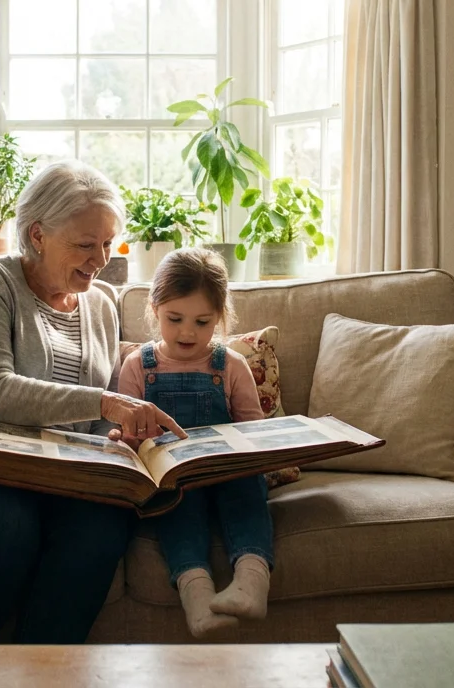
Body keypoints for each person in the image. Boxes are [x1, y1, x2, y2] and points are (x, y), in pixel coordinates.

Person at [0, 159, 186, 645]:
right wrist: (107, 405)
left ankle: (39, 673)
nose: (100, 258)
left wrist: (117, 441)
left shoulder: (102, 304)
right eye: (86, 244)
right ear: (38, 234)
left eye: (108, 243)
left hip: (47, 471)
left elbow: (90, 422)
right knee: (6, 521)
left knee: (104, 523)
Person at [114, 248, 273, 639]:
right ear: (154, 310)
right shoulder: (137, 366)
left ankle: (252, 581)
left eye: (202, 322)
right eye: (175, 319)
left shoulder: (231, 365)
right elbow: (127, 432)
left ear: (219, 317)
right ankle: (197, 595)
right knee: (175, 510)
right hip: (173, 480)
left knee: (246, 492)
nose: (187, 332)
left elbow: (253, 429)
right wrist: (124, 440)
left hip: (227, 471)